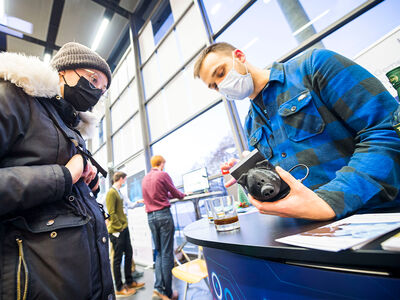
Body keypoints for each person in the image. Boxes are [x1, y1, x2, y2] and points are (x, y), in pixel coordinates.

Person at [194, 42, 400, 220]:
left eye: (221, 73)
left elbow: (384, 130)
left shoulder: (313, 66)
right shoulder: (250, 124)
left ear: (239, 56)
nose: (222, 85)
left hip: (375, 213)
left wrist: (331, 201)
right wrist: (251, 176)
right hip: (311, 229)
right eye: (214, 86)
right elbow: (278, 184)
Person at [0, 42, 115, 299]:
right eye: (93, 79)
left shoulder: (71, 127)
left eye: (103, 89)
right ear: (63, 70)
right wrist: (65, 175)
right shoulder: (14, 97)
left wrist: (87, 183)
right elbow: (62, 176)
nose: (96, 91)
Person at [142, 155, 185, 300]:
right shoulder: (162, 174)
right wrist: (182, 195)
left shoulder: (145, 178)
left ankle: (158, 287)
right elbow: (174, 192)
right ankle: (167, 293)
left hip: (151, 217)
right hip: (163, 216)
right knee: (167, 254)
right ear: (162, 164)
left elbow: (156, 195)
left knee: (160, 253)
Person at [106, 172, 145, 296]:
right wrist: (120, 227)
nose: (125, 182)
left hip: (124, 228)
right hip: (117, 230)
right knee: (117, 260)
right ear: (120, 179)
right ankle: (118, 288)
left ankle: (129, 281)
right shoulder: (111, 193)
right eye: (124, 179)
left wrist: (124, 227)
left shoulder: (119, 192)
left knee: (129, 254)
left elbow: (125, 207)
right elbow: (111, 212)